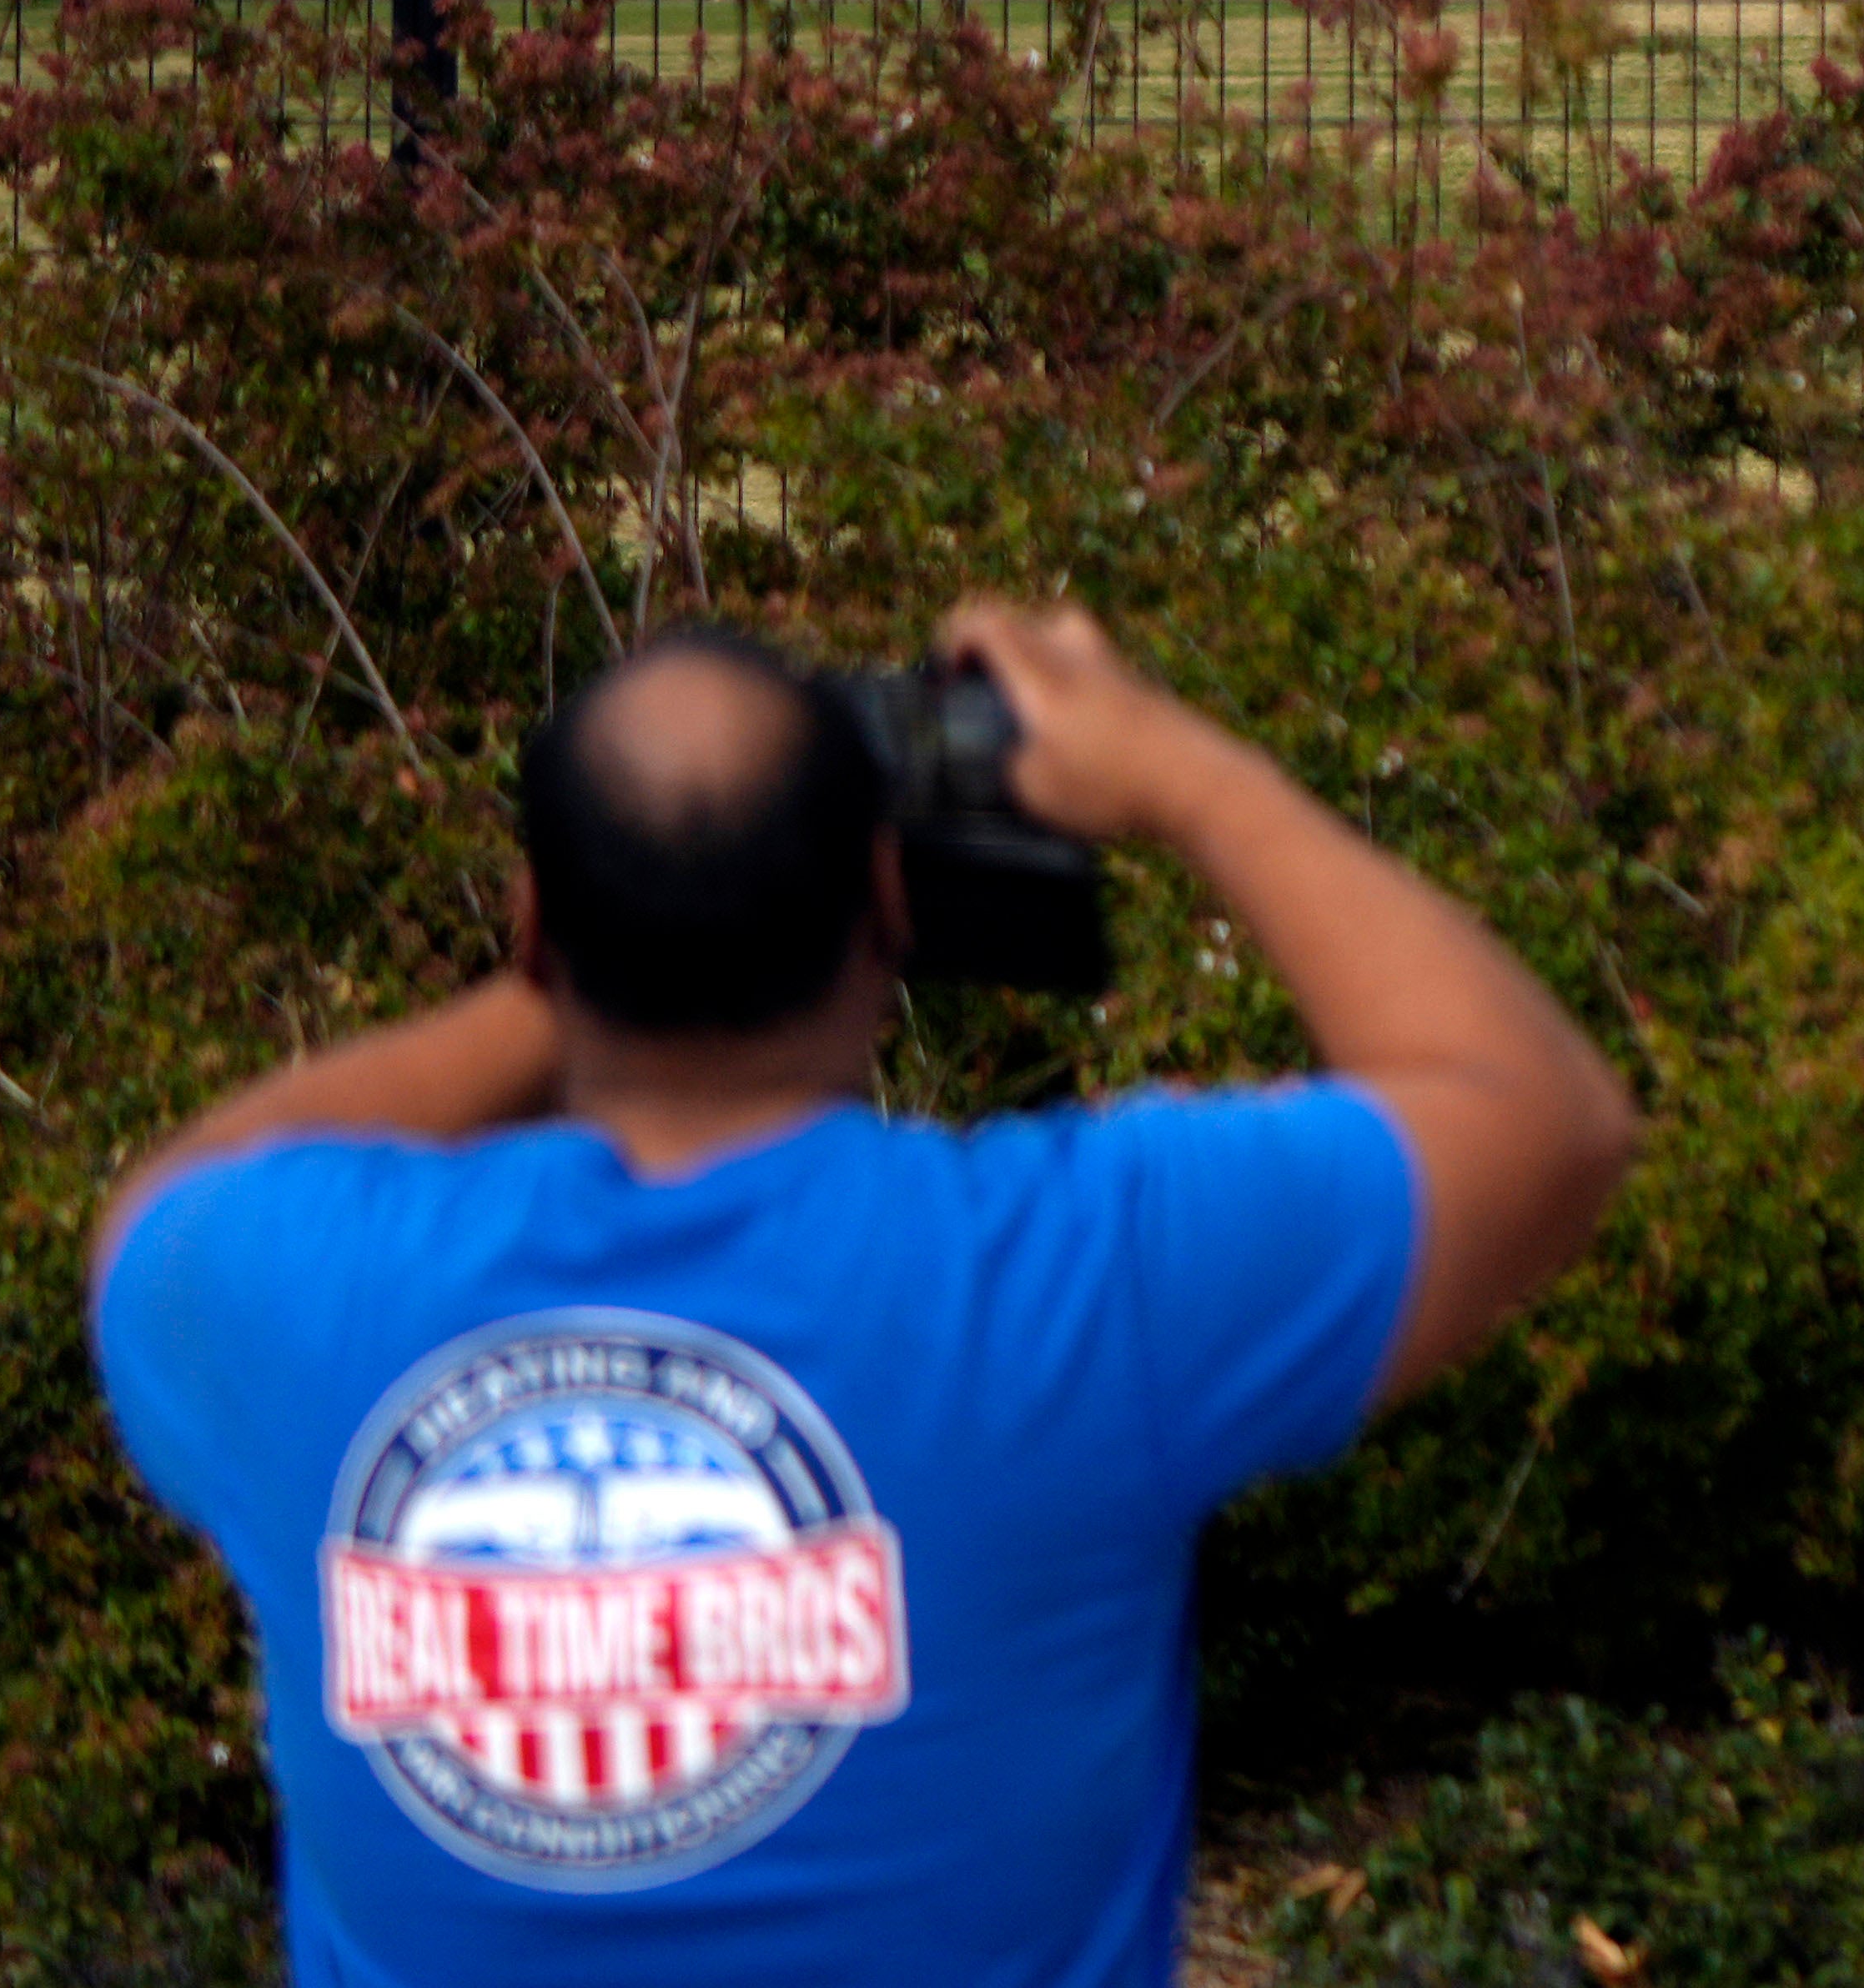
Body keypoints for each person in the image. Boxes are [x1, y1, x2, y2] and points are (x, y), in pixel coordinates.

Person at [88, 604, 1639, 1985]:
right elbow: (1538, 1114)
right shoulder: (1073, 1277)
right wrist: (1180, 772)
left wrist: (619, 940)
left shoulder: (282, 1297)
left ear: (538, 927)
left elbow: (179, 1194)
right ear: (888, 906)